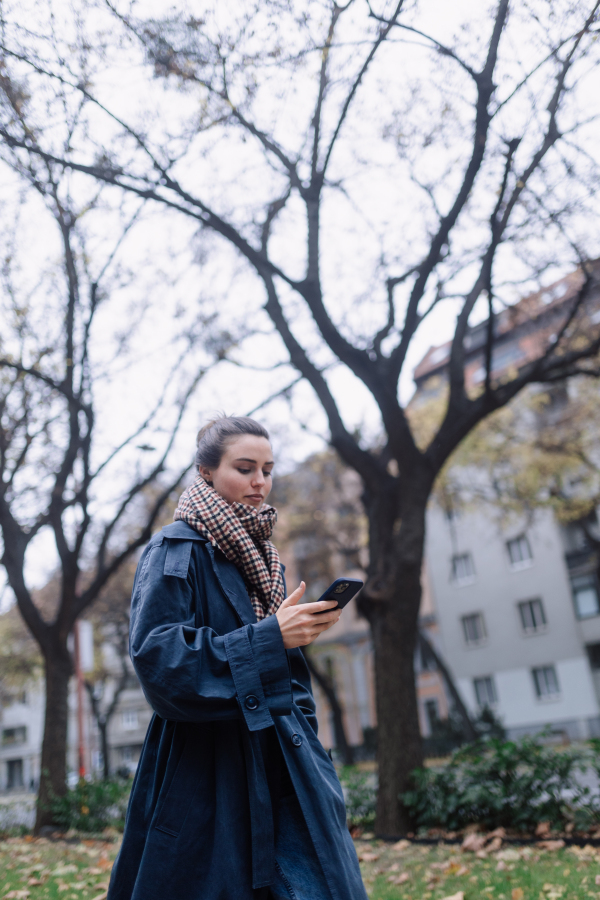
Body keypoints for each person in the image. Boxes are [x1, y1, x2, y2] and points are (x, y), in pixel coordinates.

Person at [107, 415, 368, 900]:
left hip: (287, 759)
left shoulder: (263, 556)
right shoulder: (173, 550)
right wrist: (271, 637)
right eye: (245, 468)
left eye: (268, 470)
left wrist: (310, 741)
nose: (260, 482)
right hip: (208, 768)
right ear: (205, 471)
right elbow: (160, 663)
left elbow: (289, 675)